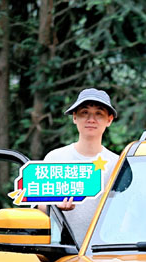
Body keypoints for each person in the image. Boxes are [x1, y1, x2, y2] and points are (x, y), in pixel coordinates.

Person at [41, 88, 120, 246]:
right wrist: (55, 206)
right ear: (74, 117)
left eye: (99, 113)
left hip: (105, 252)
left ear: (109, 120)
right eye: (84, 112)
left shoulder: (117, 164)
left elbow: (125, 214)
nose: (91, 119)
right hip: (60, 252)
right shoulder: (55, 158)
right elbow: (38, 208)